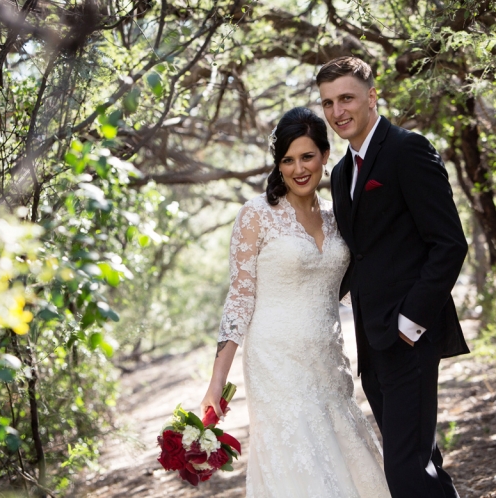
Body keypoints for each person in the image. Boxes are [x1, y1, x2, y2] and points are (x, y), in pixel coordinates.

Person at [200, 107, 391, 497]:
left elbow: (353, 287)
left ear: (325, 155)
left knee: (345, 456)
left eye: (307, 156)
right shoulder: (256, 215)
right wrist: (217, 383)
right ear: (278, 164)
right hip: (275, 361)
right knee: (301, 463)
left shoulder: (338, 216)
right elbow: (239, 299)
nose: (299, 169)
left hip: (329, 360)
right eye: (288, 160)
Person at [316, 56, 469, 498]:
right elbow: (360, 256)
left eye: (346, 98)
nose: (337, 111)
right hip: (372, 340)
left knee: (403, 471)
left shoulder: (408, 149)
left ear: (372, 97)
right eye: (328, 103)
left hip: (410, 336)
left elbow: (449, 243)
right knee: (421, 463)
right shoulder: (341, 172)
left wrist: (410, 322)